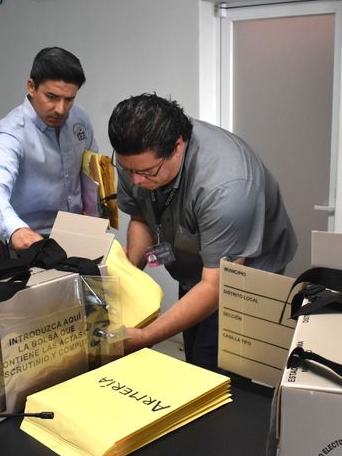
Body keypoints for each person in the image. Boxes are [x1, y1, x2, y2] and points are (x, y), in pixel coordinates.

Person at [109, 93, 297, 369]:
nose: (135, 180)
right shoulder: (137, 162)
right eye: (128, 170)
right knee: (194, 356)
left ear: (177, 147)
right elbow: (140, 215)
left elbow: (215, 285)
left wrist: (147, 336)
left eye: (147, 172)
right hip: (197, 265)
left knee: (217, 368)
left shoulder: (226, 186)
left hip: (244, 279)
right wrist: (127, 275)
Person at [0, 46, 97, 251]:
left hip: (80, 232)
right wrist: (16, 230)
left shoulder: (79, 117)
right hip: (33, 241)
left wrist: (95, 219)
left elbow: (90, 169)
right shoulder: (10, 134)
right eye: (51, 97)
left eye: (69, 99)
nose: (61, 109)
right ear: (31, 87)